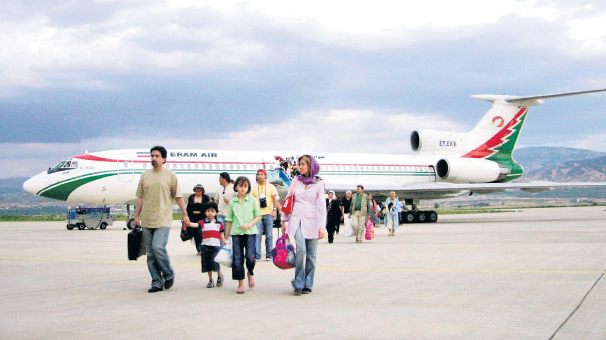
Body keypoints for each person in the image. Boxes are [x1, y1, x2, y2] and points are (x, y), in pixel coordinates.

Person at [134, 145, 189, 293]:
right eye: (152, 155)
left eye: (157, 156)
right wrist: (136, 216)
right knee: (150, 254)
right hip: (147, 219)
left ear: (164, 159)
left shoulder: (170, 176)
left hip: (163, 219)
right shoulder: (145, 176)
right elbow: (140, 197)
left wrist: (185, 214)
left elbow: (178, 197)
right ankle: (156, 282)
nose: (153, 158)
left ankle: (168, 273)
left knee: (158, 248)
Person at [281, 155, 327, 295]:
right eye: (299, 164)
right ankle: (298, 282)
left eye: (303, 164)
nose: (299, 166)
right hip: (297, 220)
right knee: (301, 250)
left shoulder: (319, 183)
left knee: (311, 255)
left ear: (310, 166)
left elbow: (322, 206)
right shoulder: (296, 181)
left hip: (313, 221)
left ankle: (308, 283)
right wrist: (284, 220)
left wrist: (322, 226)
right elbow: (288, 199)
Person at [225, 176, 262, 294]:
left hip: (250, 232)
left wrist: (250, 224)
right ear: (236, 187)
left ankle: (250, 272)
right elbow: (229, 219)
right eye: (240, 185)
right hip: (236, 233)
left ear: (248, 188)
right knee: (237, 258)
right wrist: (226, 236)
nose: (242, 188)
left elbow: (258, 216)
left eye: (245, 186)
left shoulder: (252, 200)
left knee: (251, 257)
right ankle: (240, 283)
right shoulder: (232, 202)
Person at [188, 202, 225, 288]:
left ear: (216, 213)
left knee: (215, 263)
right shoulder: (203, 222)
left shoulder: (219, 224)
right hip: (205, 246)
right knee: (207, 264)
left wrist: (223, 241)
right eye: (208, 211)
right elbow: (196, 225)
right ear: (205, 213)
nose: (210, 213)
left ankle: (219, 276)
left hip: (216, 246)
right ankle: (210, 280)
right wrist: (189, 223)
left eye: (212, 211)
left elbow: (221, 234)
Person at [251, 169, 280, 261]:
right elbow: (252, 201)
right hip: (258, 215)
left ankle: (269, 254)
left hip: (268, 213)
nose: (260, 176)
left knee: (269, 235)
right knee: (257, 235)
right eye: (258, 174)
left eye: (262, 174)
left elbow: (275, 199)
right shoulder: (254, 188)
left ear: (265, 176)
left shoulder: (271, 187)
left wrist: (276, 210)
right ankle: (258, 254)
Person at [186, 184, 210, 255]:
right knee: (196, 233)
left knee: (201, 233)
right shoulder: (191, 197)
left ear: (202, 191)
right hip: (193, 217)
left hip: (202, 217)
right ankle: (199, 248)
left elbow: (207, 207)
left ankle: (204, 248)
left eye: (199, 191)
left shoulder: (205, 198)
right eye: (196, 191)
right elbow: (189, 207)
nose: (198, 192)